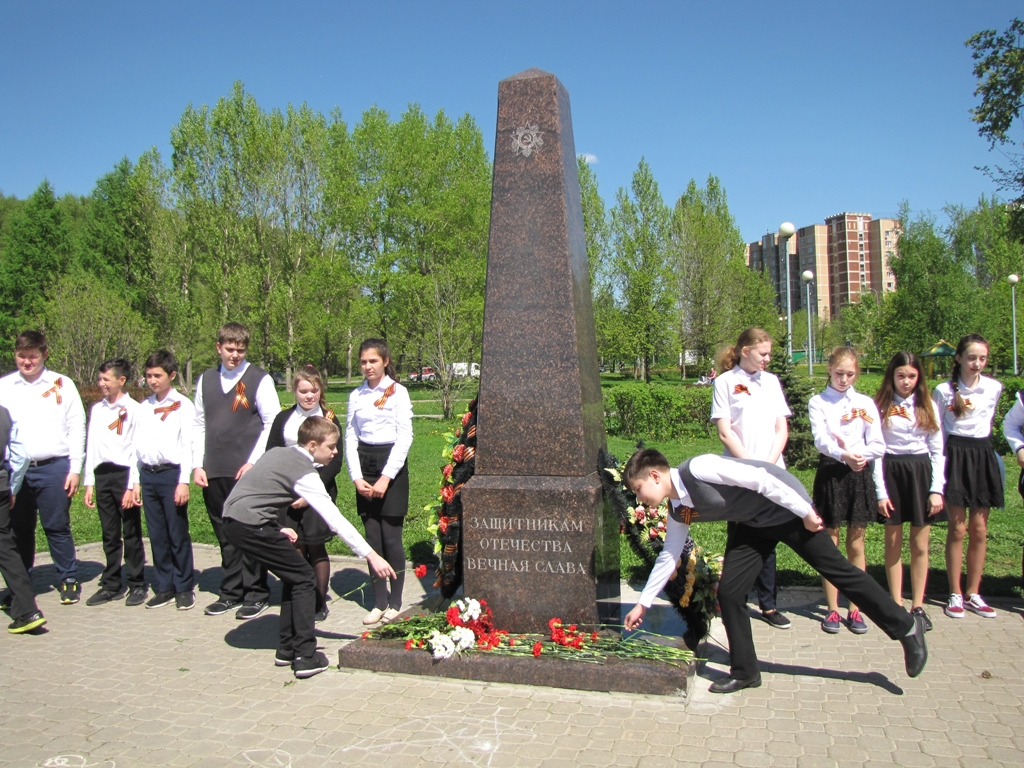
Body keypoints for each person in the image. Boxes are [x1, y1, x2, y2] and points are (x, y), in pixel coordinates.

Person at [621, 448, 927, 693]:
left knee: (838, 572)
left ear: (654, 475)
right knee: (730, 593)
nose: (639, 498)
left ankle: (906, 627)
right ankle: (746, 672)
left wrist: (805, 512)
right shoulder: (678, 508)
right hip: (752, 525)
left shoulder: (697, 468)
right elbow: (669, 556)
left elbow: (760, 479)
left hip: (786, 510)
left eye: (638, 489)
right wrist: (643, 603)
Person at [223, 416, 396, 679]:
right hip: (250, 525)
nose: (335, 452)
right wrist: (372, 556)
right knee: (305, 580)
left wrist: (274, 526)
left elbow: (255, 490)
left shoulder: (277, 453)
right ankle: (305, 656)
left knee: (295, 576)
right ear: (313, 445)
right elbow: (335, 520)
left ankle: (287, 648)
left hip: (234, 520)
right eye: (331, 447)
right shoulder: (304, 471)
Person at [193, 322, 281, 619]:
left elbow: (272, 422)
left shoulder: (259, 379)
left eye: (240, 350)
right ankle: (231, 591)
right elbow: (198, 424)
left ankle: (257, 592)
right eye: (229, 349)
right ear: (218, 347)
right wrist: (197, 463)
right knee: (225, 532)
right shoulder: (205, 380)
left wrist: (254, 462)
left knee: (249, 530)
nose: (234, 355)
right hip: (214, 469)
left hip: (246, 471)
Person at [711, 328, 792, 630]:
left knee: (768, 537)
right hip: (740, 473)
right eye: (763, 353)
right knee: (740, 535)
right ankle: (735, 599)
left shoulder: (771, 382)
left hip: (771, 471)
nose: (768, 359)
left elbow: (781, 428)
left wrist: (767, 467)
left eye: (769, 353)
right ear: (745, 351)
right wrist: (749, 468)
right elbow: (724, 431)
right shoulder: (725, 382)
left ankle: (769, 605)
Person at [0, 330, 86, 605]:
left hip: (54, 467)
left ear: (44, 354)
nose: (27, 362)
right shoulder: (5, 386)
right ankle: (21, 584)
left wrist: (75, 468)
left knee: (56, 525)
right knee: (18, 528)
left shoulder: (62, 383)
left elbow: (77, 426)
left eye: (32, 356)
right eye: (21, 356)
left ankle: (68, 578)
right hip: (16, 471)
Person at [808, 346, 885, 635]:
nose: (844, 379)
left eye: (850, 374)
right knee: (830, 543)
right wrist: (844, 455)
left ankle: (855, 607)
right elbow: (820, 439)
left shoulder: (865, 403)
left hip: (859, 474)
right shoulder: (819, 401)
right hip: (832, 472)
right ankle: (832, 609)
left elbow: (879, 444)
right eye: (839, 373)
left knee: (857, 543)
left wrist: (858, 454)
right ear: (829, 369)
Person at [872, 352, 945, 631]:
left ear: (919, 378)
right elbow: (877, 452)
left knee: (920, 544)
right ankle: (896, 604)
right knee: (893, 542)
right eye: (901, 375)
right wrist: (880, 492)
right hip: (891, 471)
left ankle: (918, 604)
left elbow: (938, 450)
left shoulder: (927, 406)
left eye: (912, 376)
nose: (906, 381)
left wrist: (936, 489)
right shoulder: (880, 407)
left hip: (920, 473)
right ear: (892, 376)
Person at [265, 364, 343, 622]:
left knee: (315, 546)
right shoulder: (283, 419)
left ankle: (320, 602)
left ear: (320, 390)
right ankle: (301, 598)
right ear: (295, 391)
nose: (309, 396)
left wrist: (311, 492)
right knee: (295, 546)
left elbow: (335, 461)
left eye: (314, 390)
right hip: (288, 491)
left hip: (318, 490)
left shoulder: (329, 418)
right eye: (303, 391)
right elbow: (273, 453)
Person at [933, 334, 1003, 619]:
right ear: (959, 358)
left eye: (982, 359)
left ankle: (974, 592)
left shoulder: (994, 387)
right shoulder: (943, 391)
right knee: (958, 529)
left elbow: (987, 422)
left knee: (979, 529)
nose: (977, 364)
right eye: (971, 358)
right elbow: (937, 431)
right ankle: (955, 593)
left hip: (982, 456)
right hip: (955, 455)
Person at [345, 338, 413, 625]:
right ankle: (379, 601)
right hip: (365, 463)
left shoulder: (398, 393)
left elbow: (405, 437)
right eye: (363, 362)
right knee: (372, 538)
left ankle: (396, 602)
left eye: (373, 361)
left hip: (391, 467)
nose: (367, 366)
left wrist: (386, 478)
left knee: (390, 537)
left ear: (385, 361)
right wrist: (357, 476)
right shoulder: (356, 396)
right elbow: (350, 435)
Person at [129, 350, 197, 610]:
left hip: (171, 474)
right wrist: (136, 480)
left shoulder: (182, 405)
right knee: (157, 533)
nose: (152, 380)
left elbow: (187, 445)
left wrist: (183, 481)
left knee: (176, 532)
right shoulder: (144, 408)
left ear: (171, 375)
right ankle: (165, 584)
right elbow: (136, 446)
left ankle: (183, 586)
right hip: (149, 474)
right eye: (148, 376)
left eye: (158, 375)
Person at [83, 358, 147, 607]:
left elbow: (136, 448)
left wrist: (133, 483)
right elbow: (92, 446)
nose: (101, 384)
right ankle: (111, 584)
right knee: (109, 533)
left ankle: (137, 582)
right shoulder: (97, 410)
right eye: (100, 379)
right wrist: (89, 481)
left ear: (121, 380)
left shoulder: (134, 409)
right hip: (103, 474)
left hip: (124, 474)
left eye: (106, 380)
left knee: (130, 532)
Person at [0, 405, 42, 633]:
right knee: (6, 548)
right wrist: (12, 486)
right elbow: (21, 455)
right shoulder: (3, 414)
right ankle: (28, 610)